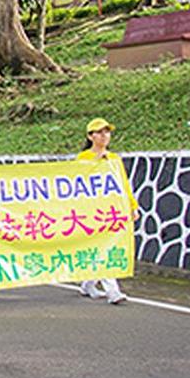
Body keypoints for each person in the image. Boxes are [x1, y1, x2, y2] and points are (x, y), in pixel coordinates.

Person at [76, 118, 139, 304]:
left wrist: (132, 206)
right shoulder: (83, 159)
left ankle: (89, 284)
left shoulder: (114, 159)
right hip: (91, 211)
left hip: (111, 211)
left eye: (107, 132)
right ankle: (112, 291)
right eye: (99, 132)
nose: (104, 136)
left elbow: (123, 186)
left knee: (106, 246)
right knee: (100, 246)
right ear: (90, 136)